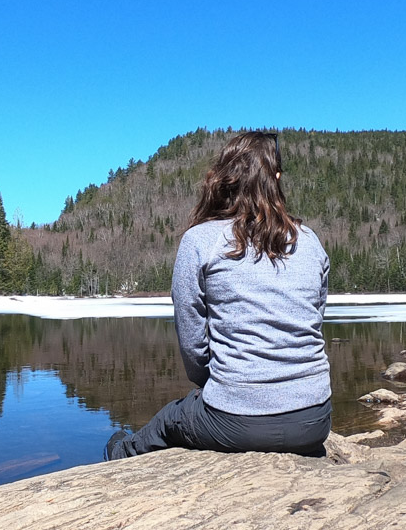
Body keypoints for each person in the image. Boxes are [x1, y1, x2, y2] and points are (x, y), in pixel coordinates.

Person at [105, 130, 332, 460]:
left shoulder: (200, 240)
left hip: (236, 420)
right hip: (314, 419)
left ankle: (119, 455)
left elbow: (193, 343)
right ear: (277, 178)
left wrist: (213, 382)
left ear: (225, 178)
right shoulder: (310, 242)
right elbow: (314, 319)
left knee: (170, 419)